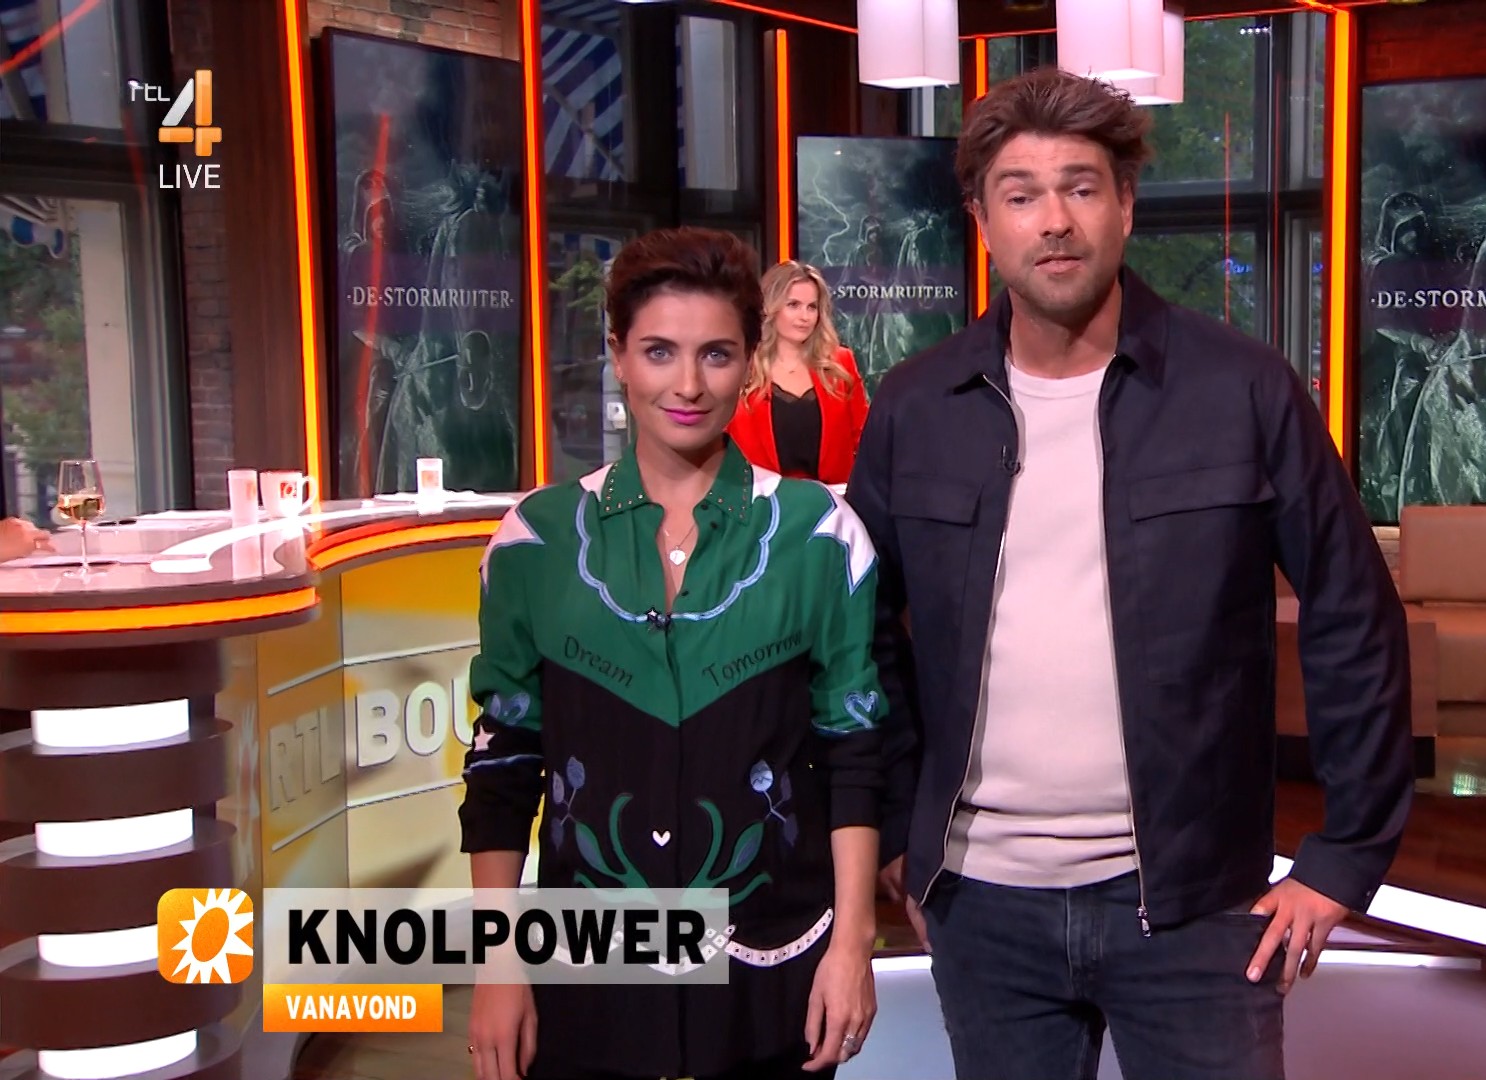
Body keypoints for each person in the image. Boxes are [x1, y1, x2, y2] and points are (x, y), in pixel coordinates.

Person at [848, 69, 1413, 1080]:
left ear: (1125, 205)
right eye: (1021, 194)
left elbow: (1353, 615)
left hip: (1197, 907)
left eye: (1081, 187)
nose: (1054, 221)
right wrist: (900, 827)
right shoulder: (915, 405)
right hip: (982, 907)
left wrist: (1346, 857)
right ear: (982, 219)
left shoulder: (1243, 389)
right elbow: (862, 634)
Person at [459, 227, 885, 1080]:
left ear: (749, 361)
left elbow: (855, 750)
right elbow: (504, 764)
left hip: (773, 967)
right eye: (659, 351)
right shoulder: (535, 542)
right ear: (617, 354)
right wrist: (496, 961)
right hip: (589, 975)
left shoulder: (819, 536)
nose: (688, 385)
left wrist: (853, 944)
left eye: (716, 355)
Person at [729, 261, 869, 486]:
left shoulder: (840, 363)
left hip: (831, 498)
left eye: (811, 307)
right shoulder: (742, 366)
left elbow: (864, 438)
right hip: (759, 497)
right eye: (793, 305)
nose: (805, 317)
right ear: (770, 307)